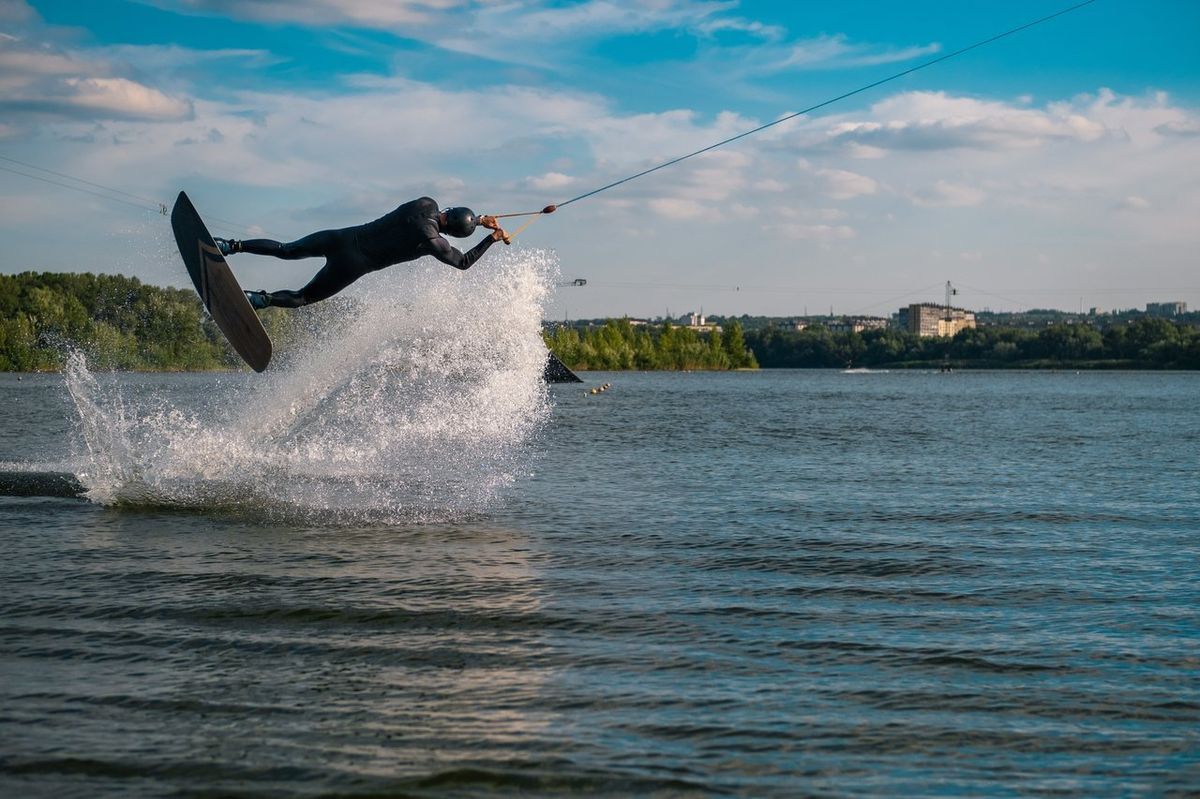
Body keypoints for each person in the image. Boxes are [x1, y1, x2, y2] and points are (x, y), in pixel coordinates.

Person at [213, 197, 511, 309]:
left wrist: (480, 218)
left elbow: (450, 216)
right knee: (304, 297)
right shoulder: (435, 243)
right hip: (354, 264)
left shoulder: (424, 204)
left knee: (286, 250)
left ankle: (229, 246)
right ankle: (257, 299)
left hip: (342, 238)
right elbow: (462, 263)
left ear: (449, 210)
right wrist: (491, 239)